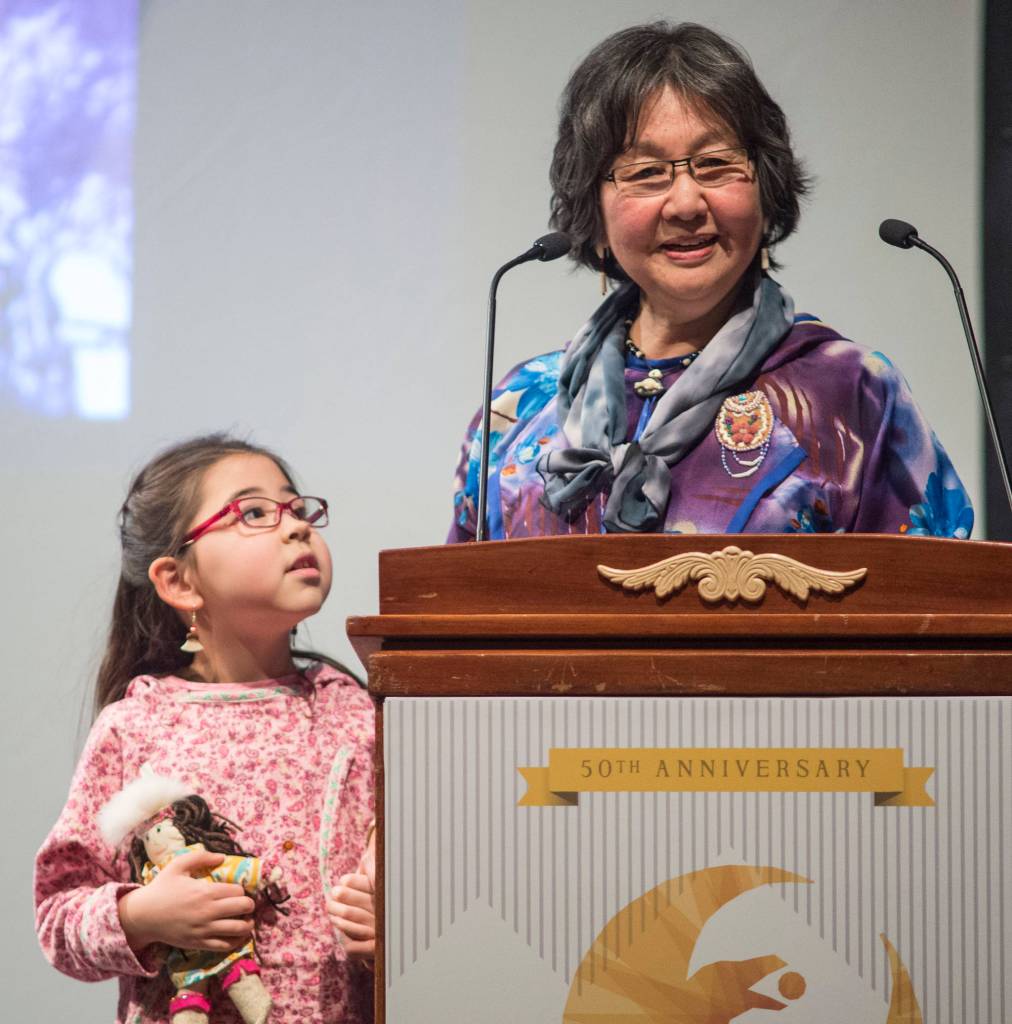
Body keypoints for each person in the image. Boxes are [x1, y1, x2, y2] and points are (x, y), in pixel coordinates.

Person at [449, 22, 973, 541]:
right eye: (646, 172)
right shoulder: (519, 407)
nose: (685, 203)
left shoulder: (851, 391)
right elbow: (457, 593)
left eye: (716, 164)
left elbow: (938, 590)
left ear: (766, 188)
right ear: (595, 212)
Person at [35, 435, 376, 1024]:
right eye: (254, 513)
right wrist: (141, 916)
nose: (296, 528)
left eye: (297, 509)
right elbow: (58, 918)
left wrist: (390, 923)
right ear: (179, 582)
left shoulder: (357, 714)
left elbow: (417, 875)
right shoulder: (137, 725)